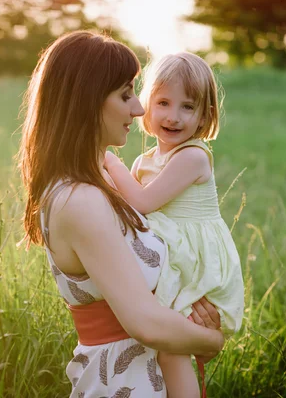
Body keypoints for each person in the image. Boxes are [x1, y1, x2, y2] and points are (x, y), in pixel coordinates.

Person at [19, 31, 225, 398]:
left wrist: (186, 315)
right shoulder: (78, 199)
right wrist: (209, 340)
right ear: (87, 101)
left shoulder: (99, 179)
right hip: (123, 382)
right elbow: (145, 322)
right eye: (126, 95)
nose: (140, 109)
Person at [104, 52, 245, 398]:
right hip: (174, 256)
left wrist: (107, 158)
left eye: (187, 106)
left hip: (196, 264)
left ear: (204, 116)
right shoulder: (145, 160)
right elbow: (127, 208)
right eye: (163, 102)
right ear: (147, 106)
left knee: (172, 348)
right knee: (159, 346)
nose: (172, 116)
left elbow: (142, 202)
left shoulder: (193, 157)